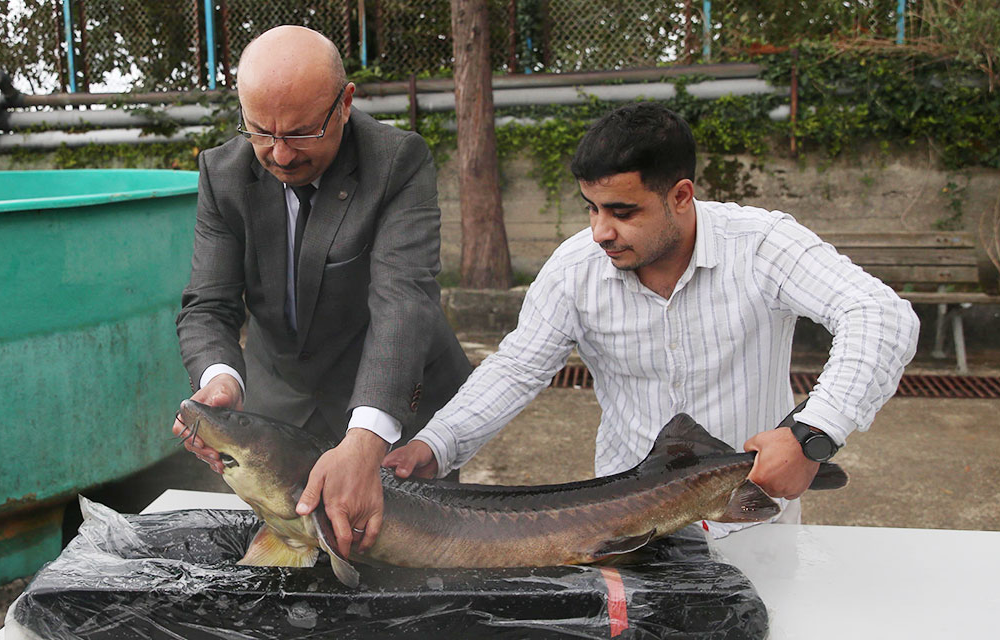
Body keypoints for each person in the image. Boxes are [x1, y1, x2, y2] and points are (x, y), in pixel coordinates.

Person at [378, 102, 920, 538]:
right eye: (591, 207)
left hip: (754, 513)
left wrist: (809, 436)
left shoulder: (761, 244)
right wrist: (437, 443)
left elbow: (879, 314)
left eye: (623, 211)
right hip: (622, 524)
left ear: (681, 196)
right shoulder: (574, 268)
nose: (600, 232)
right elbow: (518, 367)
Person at [171, 26, 471, 557]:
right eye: (261, 131)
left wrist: (366, 437)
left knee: (418, 571)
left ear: (346, 103)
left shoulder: (397, 161)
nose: (280, 155)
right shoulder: (223, 174)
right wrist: (220, 380)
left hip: (394, 404)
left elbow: (403, 302)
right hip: (282, 411)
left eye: (303, 133)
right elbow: (208, 305)